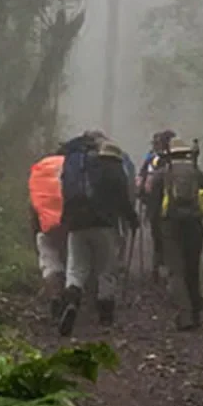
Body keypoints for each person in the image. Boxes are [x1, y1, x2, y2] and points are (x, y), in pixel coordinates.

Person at [59, 137, 139, 336]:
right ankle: (105, 316)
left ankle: (72, 302)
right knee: (106, 269)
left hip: (76, 223)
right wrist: (132, 219)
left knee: (76, 268)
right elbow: (123, 200)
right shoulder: (114, 169)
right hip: (104, 226)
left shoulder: (77, 167)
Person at [149, 138, 203, 331]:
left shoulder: (162, 174)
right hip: (195, 225)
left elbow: (154, 210)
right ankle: (196, 309)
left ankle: (185, 313)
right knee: (192, 267)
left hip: (170, 226)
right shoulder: (197, 173)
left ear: (169, 154)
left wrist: (156, 238)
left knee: (176, 270)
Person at [28, 150, 66, 321]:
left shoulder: (40, 174)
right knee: (73, 263)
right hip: (70, 226)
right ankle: (72, 298)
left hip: (45, 227)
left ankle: (55, 297)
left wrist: (36, 231)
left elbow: (34, 206)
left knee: (50, 264)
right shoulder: (74, 171)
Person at [138, 130, 176, 282]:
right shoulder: (181, 158)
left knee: (158, 237)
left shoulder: (153, 159)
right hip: (175, 206)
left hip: (155, 205)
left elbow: (142, 180)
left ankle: (157, 266)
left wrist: (141, 195)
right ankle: (171, 267)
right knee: (171, 236)